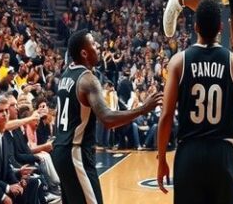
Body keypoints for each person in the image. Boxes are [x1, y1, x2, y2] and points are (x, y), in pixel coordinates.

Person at [156, 0, 233, 203]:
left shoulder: (178, 62)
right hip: (221, 154)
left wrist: (161, 158)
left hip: (188, 153)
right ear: (221, 27)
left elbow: (166, 115)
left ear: (195, 27)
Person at [50, 30, 162, 204]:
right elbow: (108, 119)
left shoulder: (65, 75)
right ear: (84, 53)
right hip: (75, 152)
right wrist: (143, 108)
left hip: (60, 149)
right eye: (94, 44)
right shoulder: (88, 79)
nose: (99, 47)